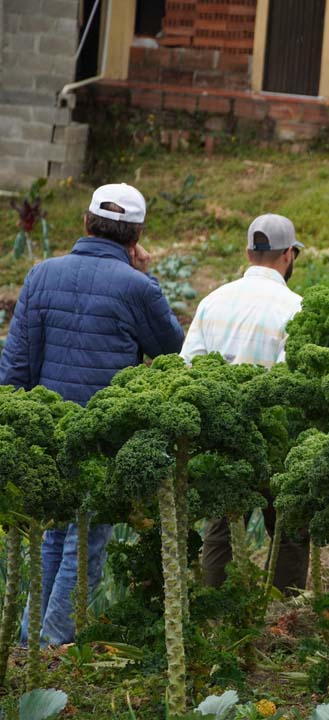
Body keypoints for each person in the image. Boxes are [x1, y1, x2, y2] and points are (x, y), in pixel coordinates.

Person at [0, 182, 185, 645]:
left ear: (85, 223)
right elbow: (171, 353)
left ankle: (29, 642)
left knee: (54, 535)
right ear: (137, 233)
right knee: (87, 541)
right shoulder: (138, 287)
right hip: (103, 437)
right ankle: (55, 641)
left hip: (48, 433)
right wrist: (147, 277)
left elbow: (15, 366)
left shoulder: (41, 275)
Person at [181, 213, 309, 593]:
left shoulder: (212, 301)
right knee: (288, 528)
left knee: (221, 528)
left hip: (223, 435)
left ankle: (215, 611)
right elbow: (295, 383)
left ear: (248, 252)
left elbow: (188, 367)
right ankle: (286, 615)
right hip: (275, 438)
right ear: (288, 255)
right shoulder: (295, 307)